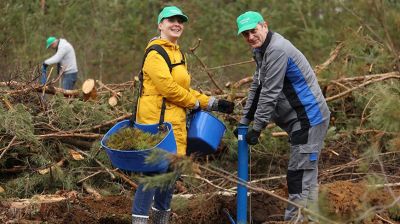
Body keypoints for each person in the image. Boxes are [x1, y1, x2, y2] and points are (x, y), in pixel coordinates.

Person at [131, 6, 234, 224]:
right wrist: (193, 102)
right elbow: (167, 88)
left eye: (180, 20)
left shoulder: (179, 54)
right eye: (171, 20)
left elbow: (184, 89)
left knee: (170, 176)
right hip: (156, 126)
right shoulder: (155, 53)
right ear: (160, 25)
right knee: (151, 176)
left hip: (175, 125)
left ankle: (161, 221)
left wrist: (212, 103)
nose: (177, 24)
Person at [234, 11, 330, 222]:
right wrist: (244, 121)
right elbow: (257, 88)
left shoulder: (277, 49)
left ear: (264, 26)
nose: (250, 37)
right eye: (245, 34)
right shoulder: (261, 51)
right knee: (307, 178)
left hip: (309, 120)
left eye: (253, 31)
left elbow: (270, 91)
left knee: (298, 177)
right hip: (301, 121)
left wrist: (257, 128)